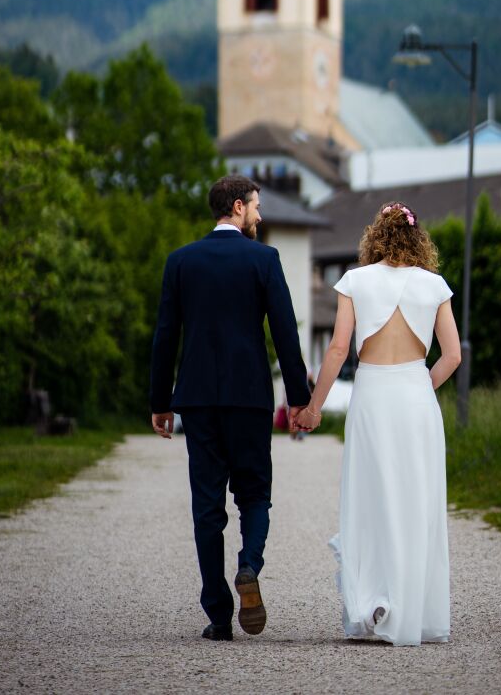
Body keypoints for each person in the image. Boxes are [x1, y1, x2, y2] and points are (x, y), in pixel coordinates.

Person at [150, 175, 311, 641]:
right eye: (256, 207)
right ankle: (249, 564)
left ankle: (219, 615)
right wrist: (298, 399)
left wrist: (161, 402)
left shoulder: (181, 262)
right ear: (238, 207)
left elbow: (166, 337)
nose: (260, 216)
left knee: (206, 506)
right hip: (249, 398)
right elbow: (285, 332)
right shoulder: (264, 259)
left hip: (197, 399)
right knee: (255, 493)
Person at [296, 202, 461, 646]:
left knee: (371, 500)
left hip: (372, 398)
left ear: (375, 237)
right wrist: (423, 383)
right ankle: (412, 610)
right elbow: (453, 356)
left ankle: (372, 602)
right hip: (416, 399)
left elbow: (336, 351)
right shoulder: (435, 286)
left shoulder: (355, 281)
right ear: (416, 239)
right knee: (415, 502)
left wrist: (313, 407)